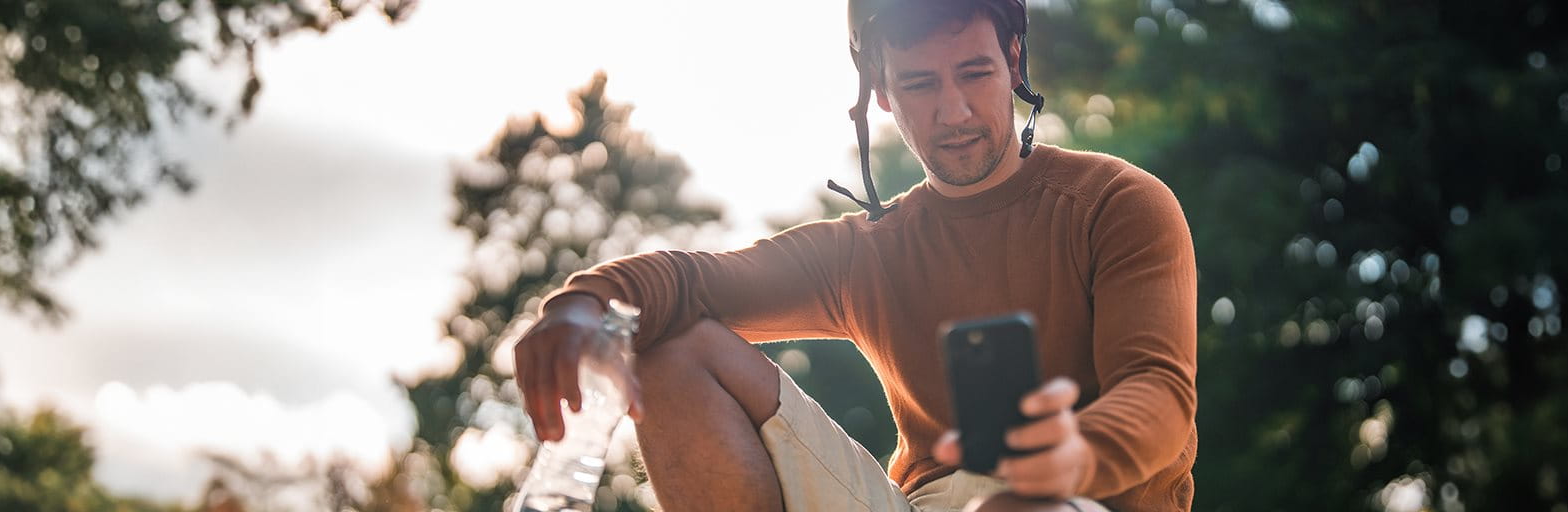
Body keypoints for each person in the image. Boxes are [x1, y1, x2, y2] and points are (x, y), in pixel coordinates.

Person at [512, 0, 1197, 509]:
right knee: (670, 347)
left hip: (1084, 499)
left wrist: (1076, 453)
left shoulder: (1116, 202)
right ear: (880, 92)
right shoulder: (868, 252)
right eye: (921, 84)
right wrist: (580, 306)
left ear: (1014, 61)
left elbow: (1160, 394)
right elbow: (693, 283)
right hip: (919, 503)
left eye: (975, 73)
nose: (953, 111)